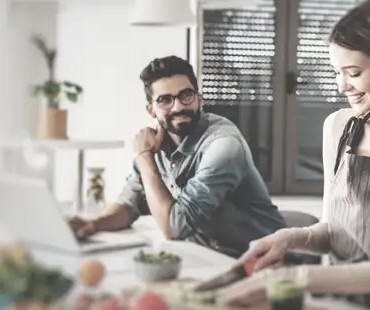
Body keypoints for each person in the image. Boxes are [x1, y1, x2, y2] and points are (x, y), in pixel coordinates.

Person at [218, 1, 370, 309]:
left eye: (354, 72)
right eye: (336, 72)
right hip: (331, 302)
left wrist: (294, 277)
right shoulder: (339, 126)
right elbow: (333, 231)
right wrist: (289, 239)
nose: (341, 86)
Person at [68, 55, 288, 258]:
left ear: (199, 99)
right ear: (151, 110)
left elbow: (174, 227)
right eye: (165, 100)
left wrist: (144, 157)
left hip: (264, 260)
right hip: (208, 254)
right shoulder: (156, 142)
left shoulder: (224, 147)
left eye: (186, 95)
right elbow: (128, 205)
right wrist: (93, 224)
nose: (178, 107)